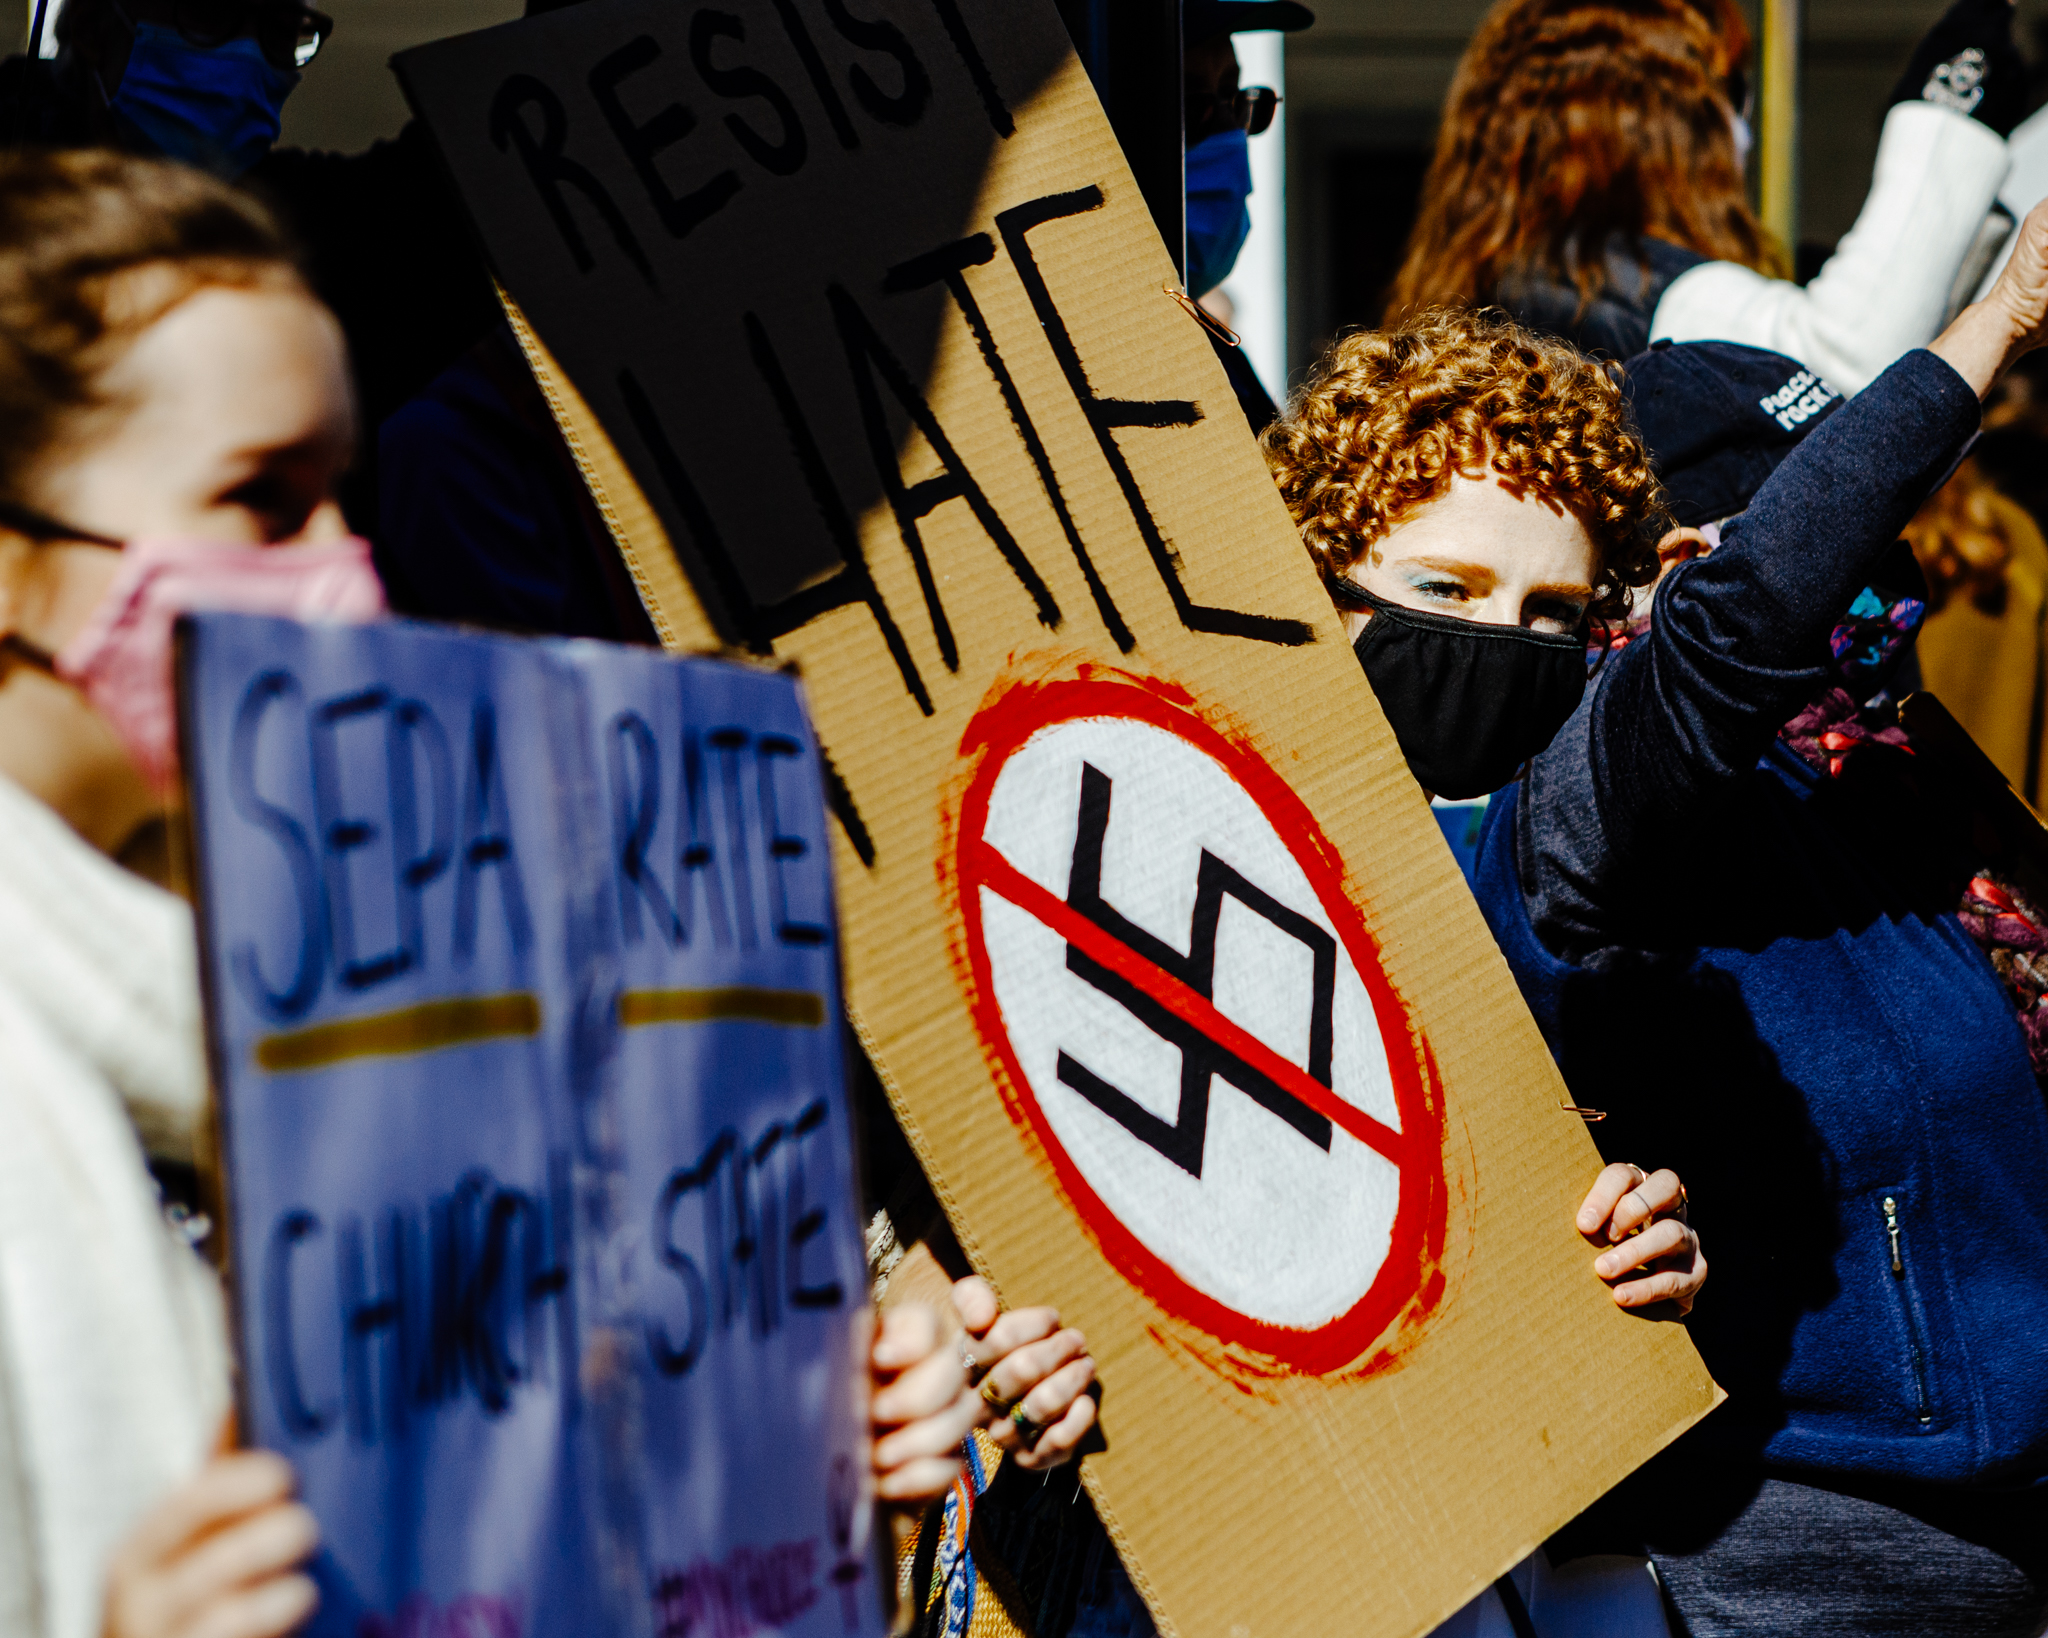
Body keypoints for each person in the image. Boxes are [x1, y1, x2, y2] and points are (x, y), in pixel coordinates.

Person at [0, 147, 1070, 1638]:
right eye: (261, 501)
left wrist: (809, 1504)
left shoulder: (394, 1009)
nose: (347, 575)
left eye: (341, 496)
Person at [1448, 191, 2048, 1631]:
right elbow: (1750, 619)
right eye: (1834, 514)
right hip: (1786, 1562)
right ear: (1673, 573)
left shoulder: (1881, 779)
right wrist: (2005, 313)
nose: (1874, 561)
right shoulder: (1596, 806)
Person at [1388, 0, 2023, 393]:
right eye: (1732, 89)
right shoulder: (1603, 285)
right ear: (1668, 119)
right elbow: (1841, 372)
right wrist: (1943, 121)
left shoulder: (1519, 277)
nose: (1743, 123)